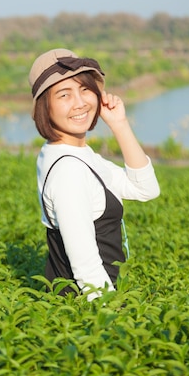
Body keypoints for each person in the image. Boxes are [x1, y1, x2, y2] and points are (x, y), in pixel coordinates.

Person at [29, 48, 160, 300]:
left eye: (85, 89)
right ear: (46, 107)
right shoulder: (69, 169)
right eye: (64, 94)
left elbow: (145, 189)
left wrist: (119, 124)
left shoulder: (74, 154)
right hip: (87, 309)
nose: (80, 102)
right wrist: (116, 321)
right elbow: (86, 268)